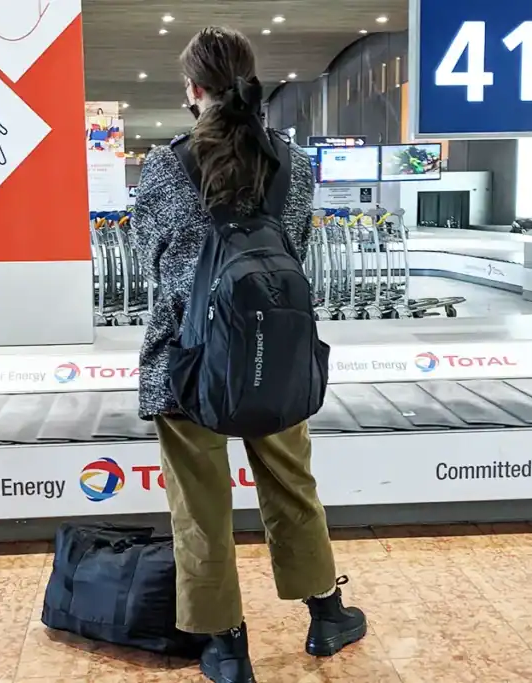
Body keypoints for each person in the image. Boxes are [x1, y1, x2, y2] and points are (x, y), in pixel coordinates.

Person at [131, 26, 366, 683]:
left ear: (193, 91)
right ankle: (327, 615)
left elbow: (156, 263)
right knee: (292, 486)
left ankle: (226, 647)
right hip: (276, 354)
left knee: (199, 508)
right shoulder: (291, 164)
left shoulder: (166, 164)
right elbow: (294, 249)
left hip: (185, 363)